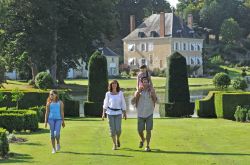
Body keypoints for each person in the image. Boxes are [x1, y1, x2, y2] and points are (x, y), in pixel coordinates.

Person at [134, 77, 157, 152]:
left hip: (149, 113)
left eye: (147, 82)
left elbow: (156, 100)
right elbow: (133, 101)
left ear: (148, 83)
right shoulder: (138, 91)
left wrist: (153, 93)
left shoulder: (152, 91)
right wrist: (138, 92)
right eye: (144, 82)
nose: (145, 83)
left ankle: (147, 146)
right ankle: (143, 139)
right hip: (140, 113)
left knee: (148, 130)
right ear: (142, 83)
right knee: (140, 130)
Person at [102, 80, 127, 150]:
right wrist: (103, 113)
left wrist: (125, 113)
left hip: (119, 113)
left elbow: (123, 103)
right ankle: (114, 144)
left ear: (117, 85)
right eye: (113, 84)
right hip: (110, 113)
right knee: (112, 130)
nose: (114, 85)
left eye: (115, 83)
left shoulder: (120, 93)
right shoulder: (108, 94)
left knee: (118, 130)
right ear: (111, 85)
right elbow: (105, 104)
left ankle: (118, 139)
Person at [45, 90, 65, 154]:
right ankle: (53, 148)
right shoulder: (48, 103)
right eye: (50, 94)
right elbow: (47, 112)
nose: (51, 95)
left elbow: (62, 112)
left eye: (52, 94)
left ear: (56, 95)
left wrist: (63, 121)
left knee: (57, 134)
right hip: (51, 120)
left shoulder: (60, 103)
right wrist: (45, 121)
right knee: (52, 135)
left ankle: (58, 143)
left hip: (58, 120)